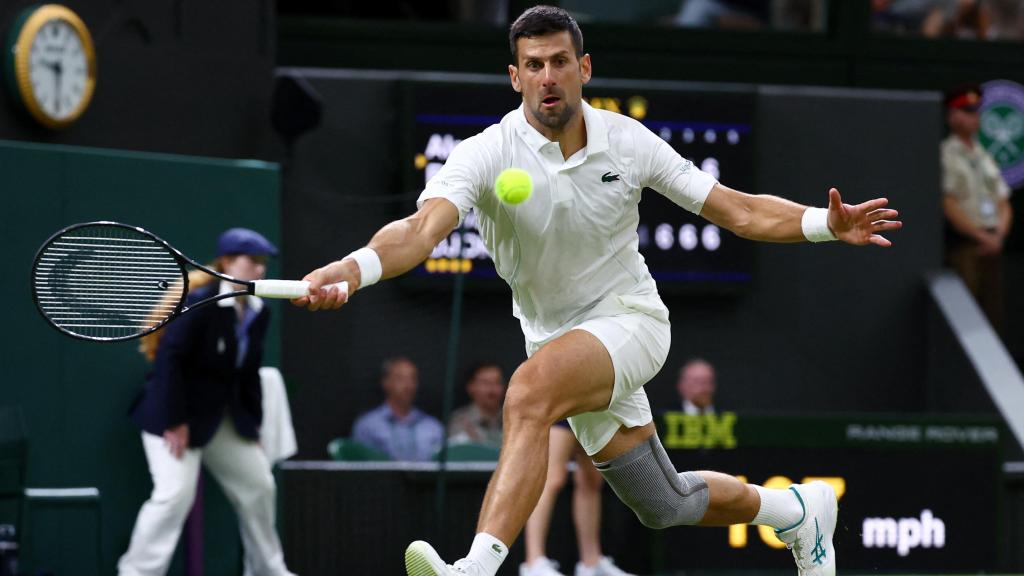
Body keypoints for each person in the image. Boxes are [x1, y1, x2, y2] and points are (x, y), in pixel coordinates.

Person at [294, 6, 901, 575]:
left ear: (583, 68)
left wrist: (826, 224)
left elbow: (737, 211)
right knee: (664, 501)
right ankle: (798, 511)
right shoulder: (482, 154)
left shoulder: (627, 142)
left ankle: (476, 568)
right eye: (533, 65)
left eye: (560, 61)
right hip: (556, 339)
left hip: (630, 321)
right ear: (515, 78)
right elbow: (420, 231)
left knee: (528, 393)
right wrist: (352, 269)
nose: (548, 77)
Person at [119, 228, 294, 576]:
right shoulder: (200, 302)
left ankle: (269, 570)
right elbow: (170, 358)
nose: (260, 270)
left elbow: (248, 374)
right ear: (226, 262)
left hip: (219, 420)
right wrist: (175, 421)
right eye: (252, 261)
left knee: (259, 486)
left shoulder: (260, 311)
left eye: (263, 263)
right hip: (172, 415)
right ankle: (136, 573)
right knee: (174, 496)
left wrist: (253, 427)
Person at [941, 83, 1013, 332]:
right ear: (952, 116)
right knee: (966, 319)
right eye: (968, 111)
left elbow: (1003, 201)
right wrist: (978, 235)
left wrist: (998, 236)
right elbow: (948, 204)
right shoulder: (946, 154)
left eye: (977, 111)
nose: (975, 118)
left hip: (992, 246)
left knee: (993, 317)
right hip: (965, 247)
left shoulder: (985, 155)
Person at [520, 421, 633, 576]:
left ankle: (591, 563)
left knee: (591, 480)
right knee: (551, 478)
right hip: (560, 402)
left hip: (590, 407)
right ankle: (533, 563)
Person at [352, 357, 445, 461]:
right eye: (400, 378)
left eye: (412, 378)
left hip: (426, 478)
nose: (408, 385)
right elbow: (360, 468)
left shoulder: (433, 426)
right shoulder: (368, 425)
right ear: (385, 383)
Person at [448, 362, 507, 448]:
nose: (492, 390)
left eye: (497, 383)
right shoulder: (459, 421)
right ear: (471, 387)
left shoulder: (513, 419)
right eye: (486, 383)